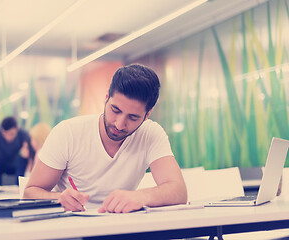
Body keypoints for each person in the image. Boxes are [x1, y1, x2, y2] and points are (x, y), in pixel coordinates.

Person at [24, 64, 187, 213]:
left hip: (122, 229)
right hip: (72, 229)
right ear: (107, 97)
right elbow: (30, 192)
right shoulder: (68, 132)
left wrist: (140, 197)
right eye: (115, 110)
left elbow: (178, 191)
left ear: (147, 115)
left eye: (133, 117)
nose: (120, 124)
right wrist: (58, 198)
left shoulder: (151, 133)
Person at [0, 116, 33, 185]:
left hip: (15, 163)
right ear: (1, 130)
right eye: (5, 134)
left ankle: (20, 186)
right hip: (0, 163)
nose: (8, 137)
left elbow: (30, 153)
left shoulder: (24, 134)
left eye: (11, 134)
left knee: (22, 161)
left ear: (17, 129)